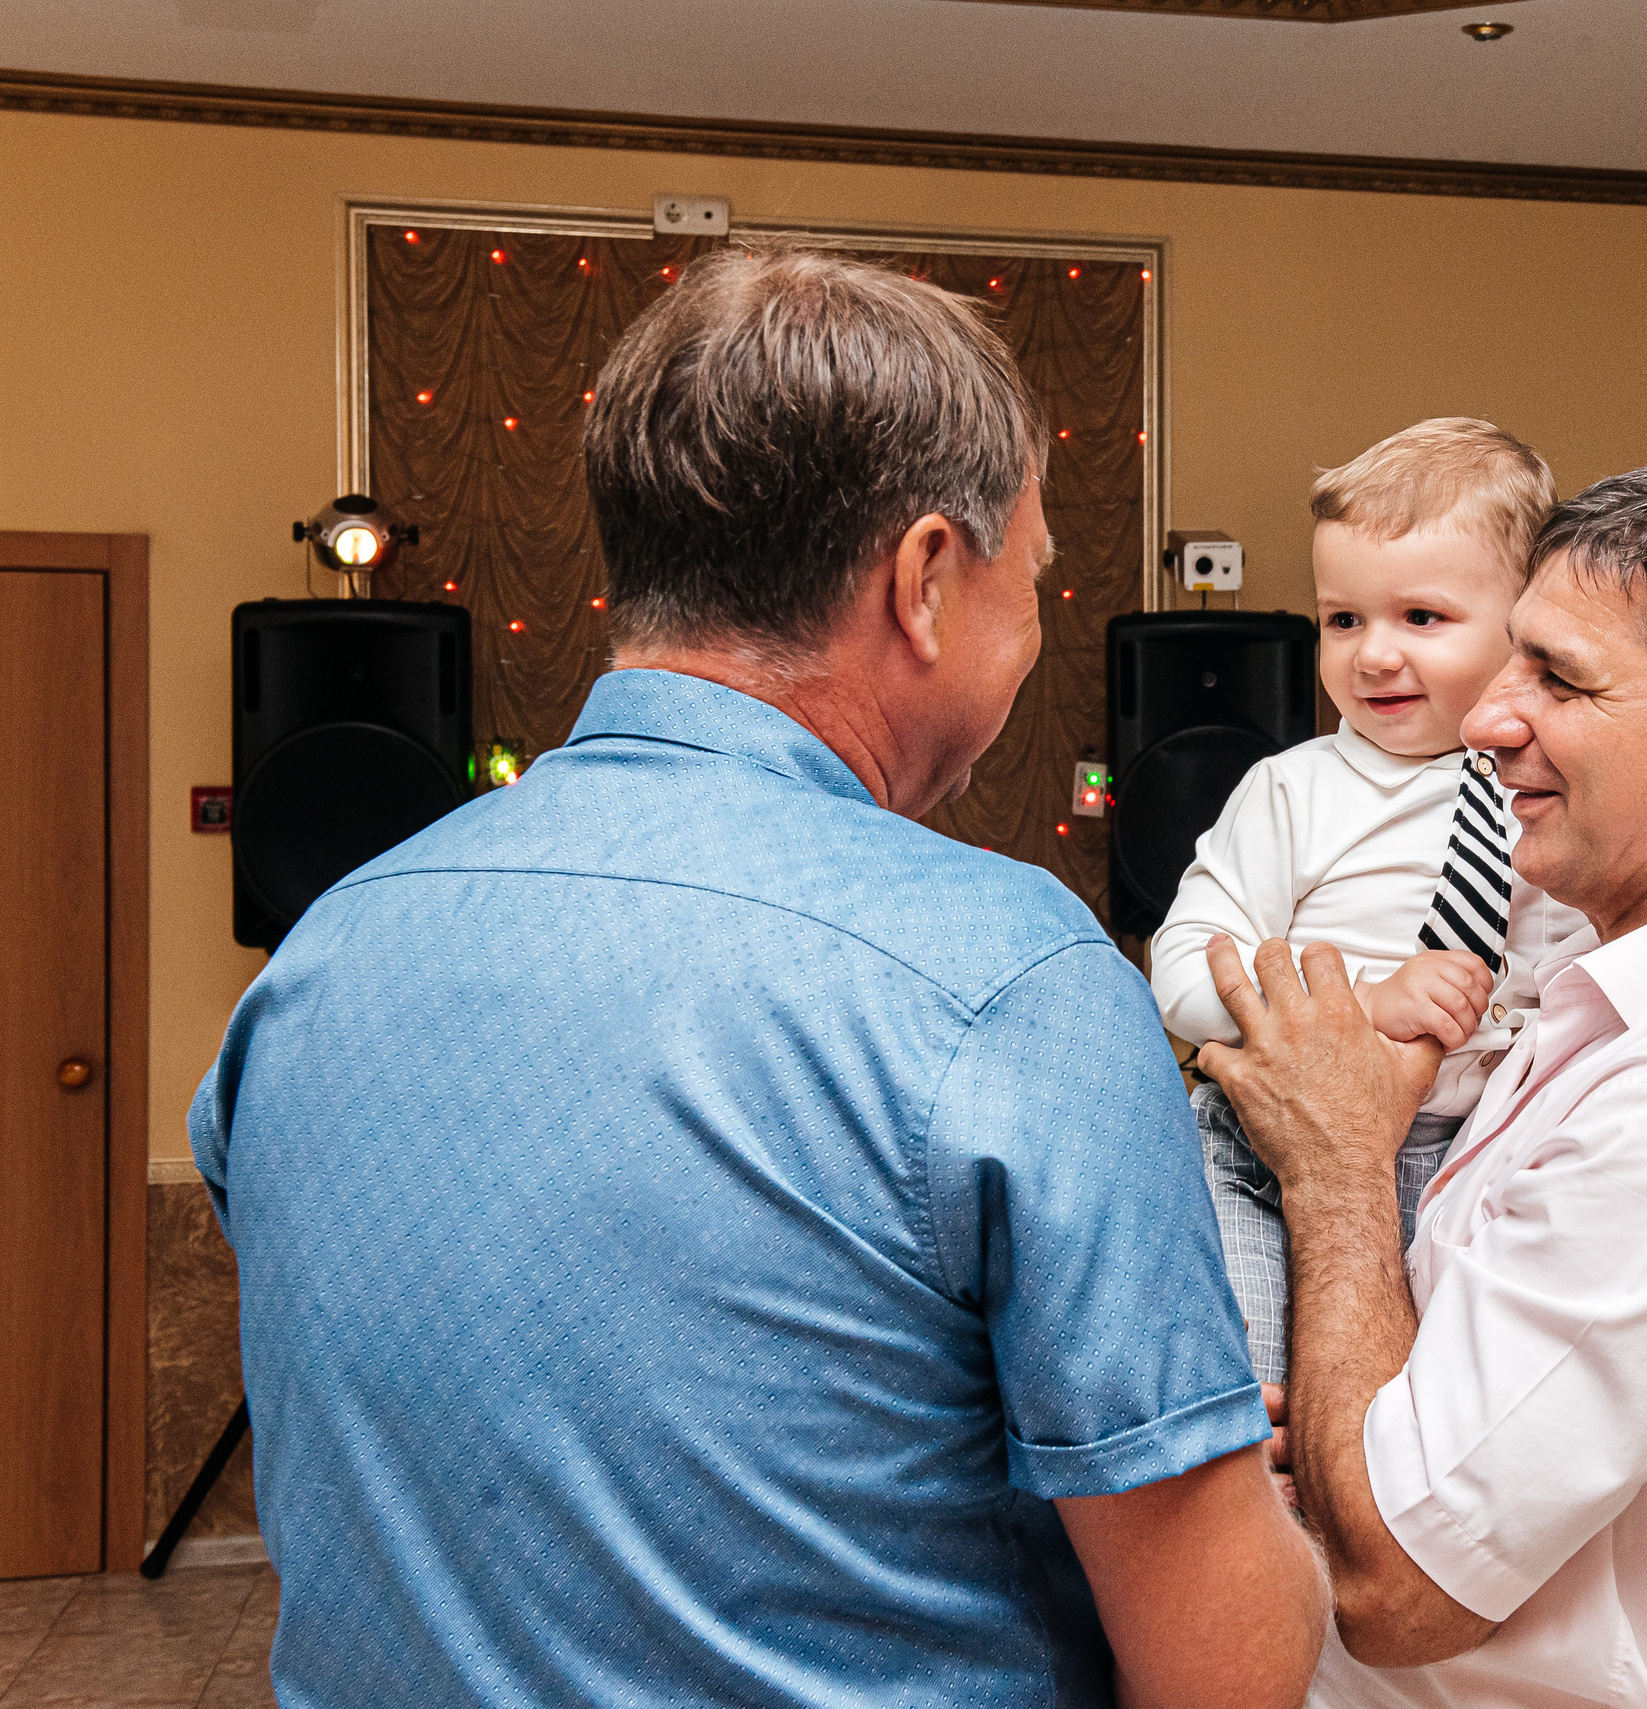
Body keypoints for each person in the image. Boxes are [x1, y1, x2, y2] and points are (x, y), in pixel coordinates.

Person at [189, 249, 1325, 1709]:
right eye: (1028, 581)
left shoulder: (327, 948)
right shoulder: (1005, 975)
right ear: (924, 580)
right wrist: (1232, 1475)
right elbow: (1222, 1674)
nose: (1035, 634)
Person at [1201, 456, 1647, 1708]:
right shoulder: (1608, 985)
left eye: (1563, 678)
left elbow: (1397, 1586)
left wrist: (1333, 1170)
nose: (1488, 717)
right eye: (1514, 657)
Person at [1150, 418, 1586, 1383]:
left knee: (1413, 1424)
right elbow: (1179, 971)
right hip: (1266, 1156)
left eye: (1420, 619)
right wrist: (1365, 1004)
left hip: (1471, 1158)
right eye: (1343, 620)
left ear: (1526, 623)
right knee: (1259, 1401)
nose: (1372, 655)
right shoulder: (1293, 790)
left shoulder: (1559, 795)